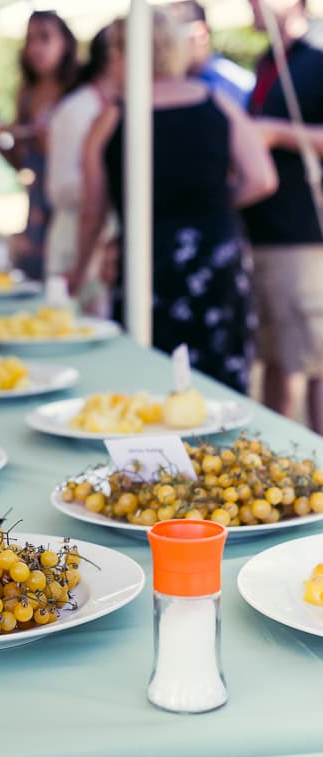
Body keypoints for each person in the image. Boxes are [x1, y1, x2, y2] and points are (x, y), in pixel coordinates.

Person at [70, 9, 277, 394]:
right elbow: (261, 179)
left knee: (147, 376)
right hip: (215, 253)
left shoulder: (112, 118)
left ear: (123, 52)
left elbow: (92, 211)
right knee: (219, 382)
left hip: (147, 257)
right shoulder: (217, 103)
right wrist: (212, 206)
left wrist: (78, 272)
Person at [242, 0, 323, 433]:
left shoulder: (318, 56)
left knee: (312, 362)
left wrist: (275, 133)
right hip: (267, 234)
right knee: (276, 358)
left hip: (304, 236)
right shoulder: (270, 62)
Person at [0, 11, 78, 280]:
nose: (36, 48)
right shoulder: (26, 95)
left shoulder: (76, 91)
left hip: (70, 210)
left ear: (64, 42)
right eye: (30, 39)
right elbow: (21, 163)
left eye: (45, 38)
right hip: (36, 209)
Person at [45, 26, 118, 298]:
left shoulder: (122, 107)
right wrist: (109, 183)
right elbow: (60, 188)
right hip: (74, 243)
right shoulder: (75, 110)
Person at [171, 1, 255, 107]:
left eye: (172, 37)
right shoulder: (172, 83)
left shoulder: (236, 84)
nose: (167, 46)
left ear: (200, 33)